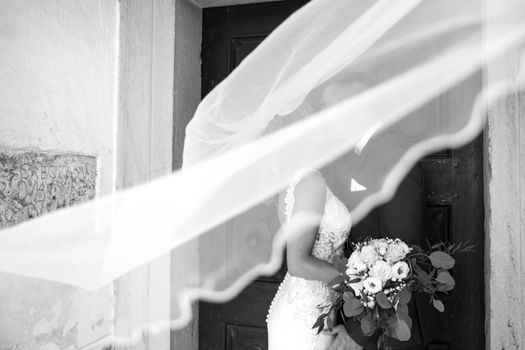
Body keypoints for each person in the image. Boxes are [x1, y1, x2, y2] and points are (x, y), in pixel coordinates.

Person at [326, 164, 440, 350]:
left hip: (393, 330)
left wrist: (358, 334)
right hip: (348, 313)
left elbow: (402, 256)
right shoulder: (341, 157)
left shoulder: (395, 157)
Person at [266, 168, 360, 349]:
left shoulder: (295, 177)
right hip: (304, 317)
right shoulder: (310, 180)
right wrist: (359, 282)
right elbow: (297, 263)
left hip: (316, 308)